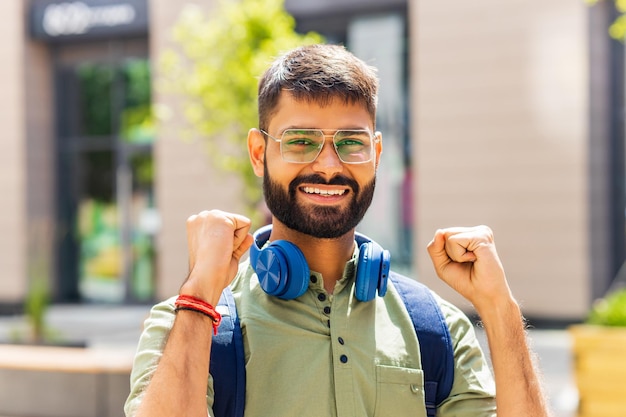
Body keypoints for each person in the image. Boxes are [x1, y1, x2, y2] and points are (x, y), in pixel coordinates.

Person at [124, 44, 552, 417]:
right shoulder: (190, 324)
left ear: (376, 153)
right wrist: (200, 294)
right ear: (259, 153)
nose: (329, 165)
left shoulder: (438, 328)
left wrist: (500, 311)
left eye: (351, 142)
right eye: (300, 141)